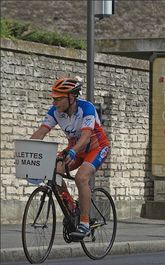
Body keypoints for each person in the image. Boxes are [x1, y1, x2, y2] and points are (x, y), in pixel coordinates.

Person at [31, 77, 110, 239]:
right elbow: (41, 132)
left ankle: (85, 223)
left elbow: (86, 136)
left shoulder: (86, 108)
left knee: (81, 177)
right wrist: (26, 148)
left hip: (96, 147)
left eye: (58, 98)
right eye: (53, 98)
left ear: (71, 97)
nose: (55, 102)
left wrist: (73, 151)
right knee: (54, 171)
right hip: (75, 149)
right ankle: (72, 210)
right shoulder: (55, 112)